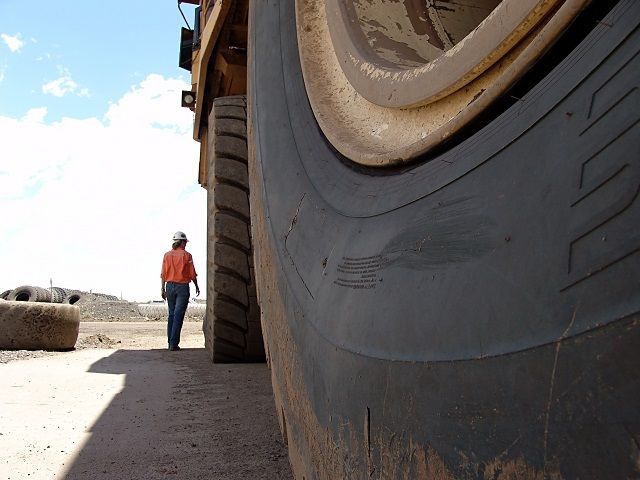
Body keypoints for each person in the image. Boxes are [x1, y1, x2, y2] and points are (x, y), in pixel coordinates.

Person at [160, 231, 200, 351]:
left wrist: (162, 288)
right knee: (178, 315)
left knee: (171, 314)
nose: (186, 244)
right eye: (185, 242)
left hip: (169, 286)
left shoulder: (167, 255)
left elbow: (163, 273)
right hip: (182, 287)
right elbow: (192, 274)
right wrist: (197, 286)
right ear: (182, 242)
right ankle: (173, 343)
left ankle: (170, 343)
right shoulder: (187, 256)